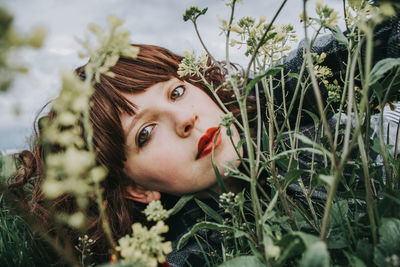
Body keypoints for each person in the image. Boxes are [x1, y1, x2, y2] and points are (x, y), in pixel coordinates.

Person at [7, 13, 400, 267]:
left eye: (176, 92)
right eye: (145, 133)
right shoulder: (196, 250)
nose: (184, 119)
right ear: (136, 189)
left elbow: (375, 38)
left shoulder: (279, 97)